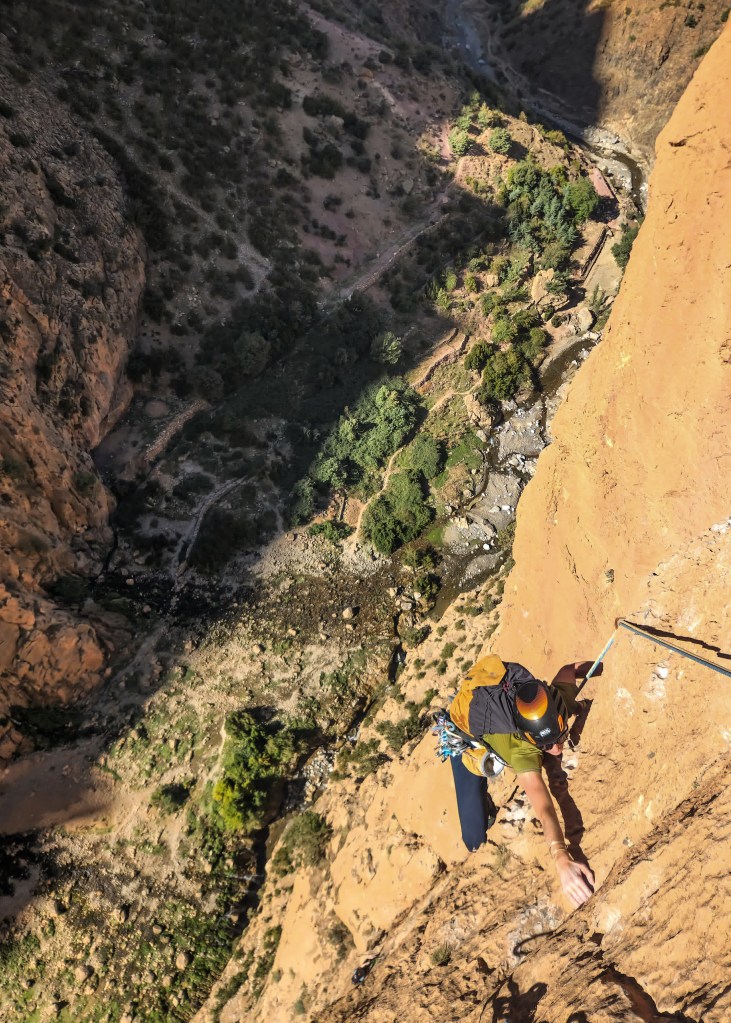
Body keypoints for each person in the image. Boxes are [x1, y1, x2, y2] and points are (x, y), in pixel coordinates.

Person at [447, 657, 599, 908]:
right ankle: (484, 806)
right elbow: (544, 807)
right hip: (465, 730)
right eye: (546, 745)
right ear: (531, 740)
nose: (557, 748)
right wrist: (561, 858)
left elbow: (569, 669)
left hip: (496, 696)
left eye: (560, 736)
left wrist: (604, 665)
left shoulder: (554, 704)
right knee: (474, 838)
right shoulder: (522, 751)